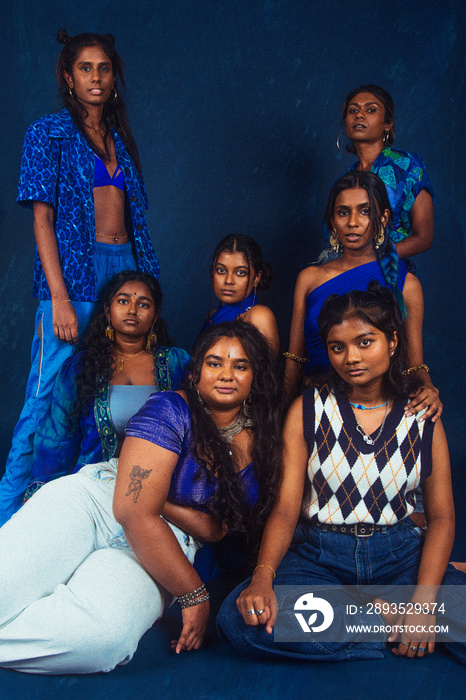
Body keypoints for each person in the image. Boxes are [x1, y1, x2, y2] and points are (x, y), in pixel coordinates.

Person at [0, 321, 282, 674]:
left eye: (240, 365)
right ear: (195, 373)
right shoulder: (169, 408)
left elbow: (217, 529)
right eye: (214, 363)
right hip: (97, 500)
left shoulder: (268, 438)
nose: (226, 374)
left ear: (256, 376)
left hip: (170, 546)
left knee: (99, 641)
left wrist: (155, 501)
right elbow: (131, 509)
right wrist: (194, 594)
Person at [217, 284, 466, 666]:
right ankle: (382, 622)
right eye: (337, 347)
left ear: (393, 341)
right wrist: (263, 578)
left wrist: (424, 602)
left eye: (366, 342)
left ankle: (376, 618)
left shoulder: (422, 415)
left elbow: (443, 517)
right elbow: (285, 509)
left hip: (400, 560)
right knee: (240, 619)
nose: (351, 357)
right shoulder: (308, 409)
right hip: (320, 557)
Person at [0, 30, 159, 524]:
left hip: (124, 267)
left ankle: (85, 508)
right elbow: (41, 220)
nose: (96, 77)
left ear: (115, 78)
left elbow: (132, 218)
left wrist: (143, 279)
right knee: (46, 391)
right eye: (86, 68)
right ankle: (7, 514)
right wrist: (60, 297)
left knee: (113, 386)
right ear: (69, 77)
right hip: (73, 273)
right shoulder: (46, 132)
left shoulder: (118, 140)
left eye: (104, 68)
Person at [283, 171, 441, 426]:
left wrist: (430, 388)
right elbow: (295, 358)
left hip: (380, 409)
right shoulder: (309, 278)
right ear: (332, 220)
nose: (353, 222)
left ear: (383, 216)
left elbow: (414, 366)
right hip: (318, 407)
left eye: (365, 211)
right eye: (343, 212)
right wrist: (283, 410)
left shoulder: (406, 284)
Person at [23, 270, 189, 505]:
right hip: (94, 487)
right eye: (123, 301)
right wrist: (40, 497)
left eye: (143, 304)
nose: (132, 310)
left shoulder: (177, 363)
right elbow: (57, 440)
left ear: (155, 316)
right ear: (107, 311)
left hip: (161, 491)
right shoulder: (79, 368)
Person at [339, 84, 434, 258]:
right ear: (345, 125)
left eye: (370, 110)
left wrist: (371, 262)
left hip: (389, 272)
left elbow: (424, 237)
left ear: (387, 124)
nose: (359, 115)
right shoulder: (346, 179)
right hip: (347, 269)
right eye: (353, 111)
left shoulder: (406, 165)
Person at [200, 235, 279, 356]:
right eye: (221, 270)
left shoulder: (259, 316)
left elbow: (266, 372)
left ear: (256, 278)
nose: (228, 280)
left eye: (240, 273)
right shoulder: (211, 317)